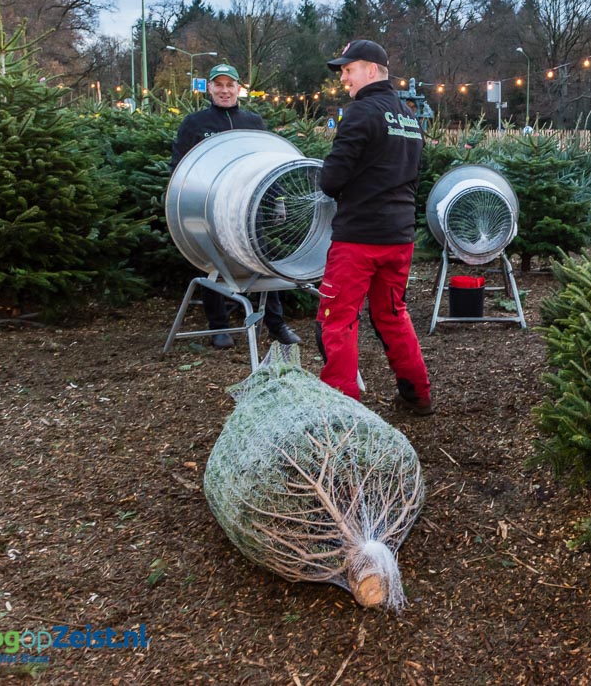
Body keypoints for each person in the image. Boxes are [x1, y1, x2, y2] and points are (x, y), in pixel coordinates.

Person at [316, 40, 432, 415]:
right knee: (392, 314)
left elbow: (332, 179)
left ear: (370, 69)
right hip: (399, 238)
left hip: (358, 239)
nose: (344, 78)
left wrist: (333, 181)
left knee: (338, 321)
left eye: (348, 70)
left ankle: (343, 412)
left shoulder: (360, 112)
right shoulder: (409, 117)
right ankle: (417, 395)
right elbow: (413, 174)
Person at [169, 63, 301, 350]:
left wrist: (278, 199)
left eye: (230, 85)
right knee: (215, 264)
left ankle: (276, 325)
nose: (225, 91)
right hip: (209, 207)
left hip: (249, 208)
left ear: (239, 88)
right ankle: (219, 327)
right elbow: (179, 166)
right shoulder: (195, 124)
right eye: (219, 85)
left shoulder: (253, 122)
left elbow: (269, 164)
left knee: (263, 260)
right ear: (210, 88)